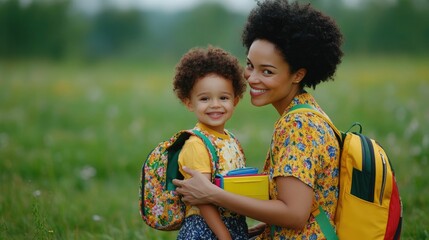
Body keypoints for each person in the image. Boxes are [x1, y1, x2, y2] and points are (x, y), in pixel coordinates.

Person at [173, 0, 344, 239]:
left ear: (298, 74)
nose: (252, 78)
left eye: (267, 71)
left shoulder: (298, 125)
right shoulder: (307, 110)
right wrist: (266, 227)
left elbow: (294, 214)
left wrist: (212, 194)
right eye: (250, 66)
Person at [172, 46, 249, 240]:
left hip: (232, 224)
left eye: (223, 97)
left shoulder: (231, 140)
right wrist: (224, 235)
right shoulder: (197, 145)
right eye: (205, 98)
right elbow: (202, 198)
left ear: (235, 100)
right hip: (204, 229)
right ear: (189, 103)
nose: (215, 104)